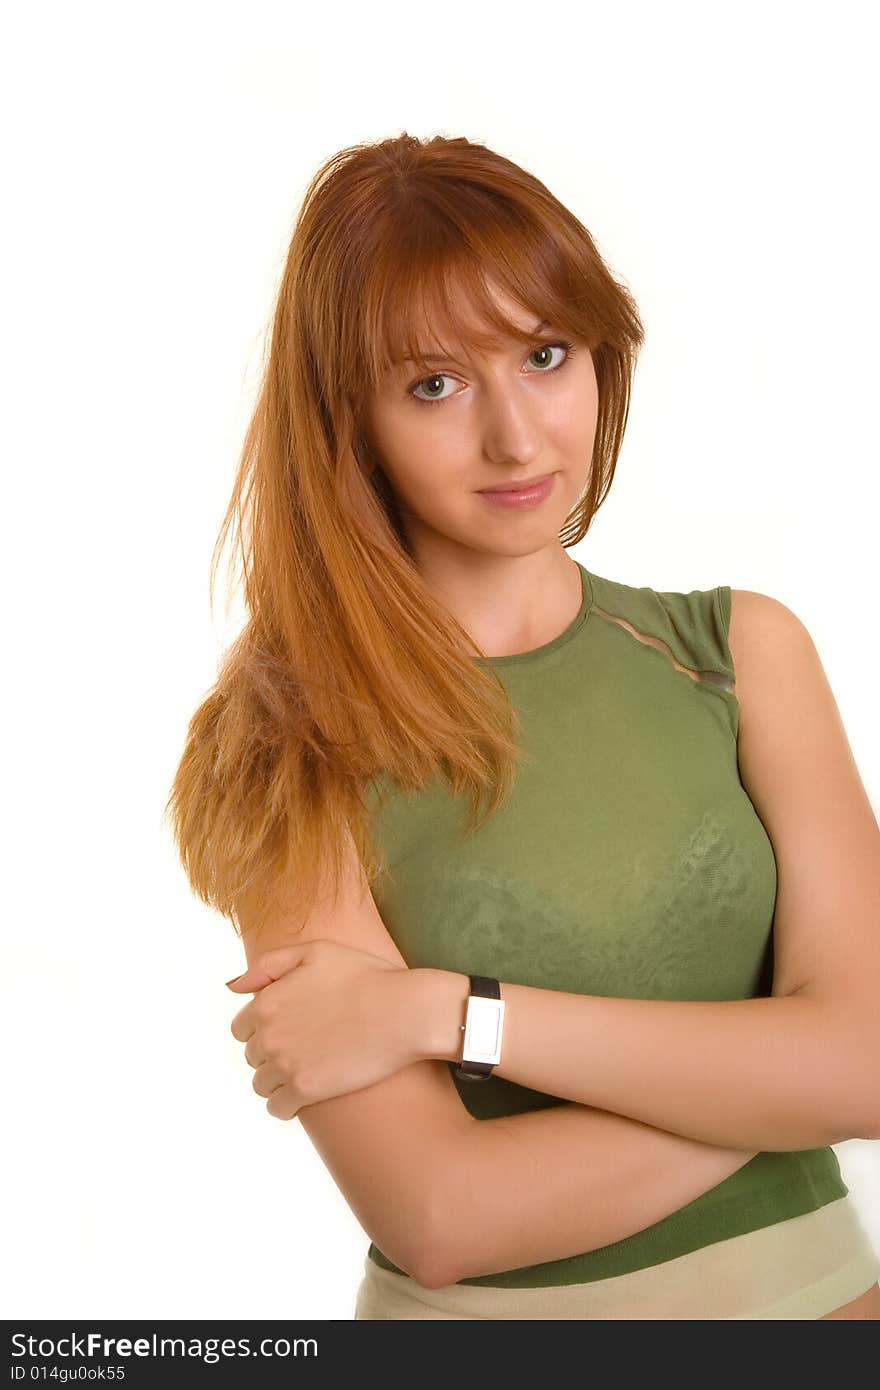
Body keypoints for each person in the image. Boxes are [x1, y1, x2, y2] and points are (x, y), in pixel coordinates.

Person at [165, 131, 880, 1319]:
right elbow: (445, 1217)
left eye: (545, 355)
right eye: (434, 384)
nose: (516, 436)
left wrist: (449, 1013)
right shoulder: (288, 740)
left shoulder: (741, 655)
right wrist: (791, 1080)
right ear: (350, 418)